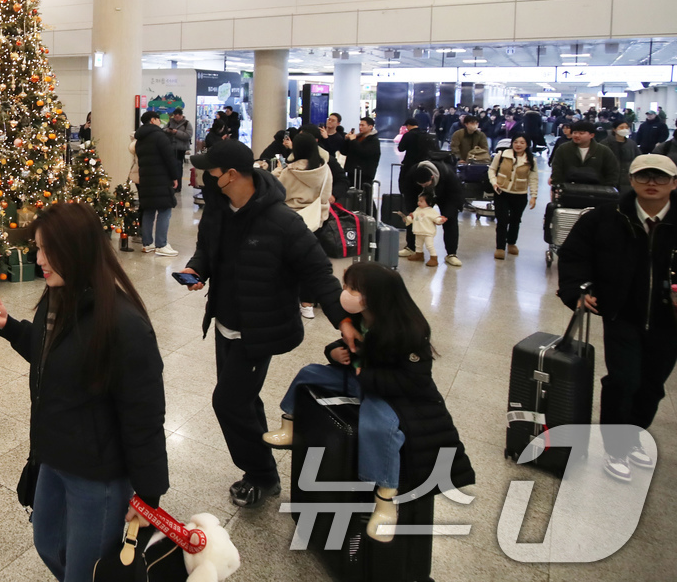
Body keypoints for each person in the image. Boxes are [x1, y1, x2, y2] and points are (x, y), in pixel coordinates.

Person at [0, 202, 168, 581]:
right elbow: (51, 355)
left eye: (49, 249)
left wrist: (149, 497)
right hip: (53, 456)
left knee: (87, 569)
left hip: (98, 475)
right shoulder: (57, 297)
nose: (40, 258)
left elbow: (144, 417)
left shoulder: (123, 325)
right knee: (48, 542)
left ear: (78, 249)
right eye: (37, 247)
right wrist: (7, 325)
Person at [181, 140, 352, 507]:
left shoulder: (282, 222)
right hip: (225, 324)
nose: (204, 178)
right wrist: (196, 268)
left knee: (227, 402)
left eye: (210, 172)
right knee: (242, 400)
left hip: (260, 331)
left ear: (230, 175)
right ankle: (261, 468)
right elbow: (206, 249)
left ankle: (262, 475)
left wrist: (344, 322)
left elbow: (319, 272)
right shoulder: (217, 209)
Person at [263, 263, 474, 542]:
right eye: (347, 286)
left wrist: (368, 377)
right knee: (308, 374)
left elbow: (414, 380)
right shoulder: (363, 319)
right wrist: (335, 354)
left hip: (388, 393)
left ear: (376, 294)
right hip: (360, 381)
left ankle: (385, 499)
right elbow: (344, 347)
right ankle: (289, 425)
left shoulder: (407, 330)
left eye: (353, 289)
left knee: (379, 427)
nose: (346, 293)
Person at [558, 154, 677, 483]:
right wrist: (577, 291)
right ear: (633, 180)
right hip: (622, 313)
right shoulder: (605, 218)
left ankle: (634, 433)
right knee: (624, 380)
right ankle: (617, 447)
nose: (652, 183)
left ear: (674, 183)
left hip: (670, 321)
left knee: (652, 385)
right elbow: (573, 256)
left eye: (661, 177)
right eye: (644, 177)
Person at [273, 133, 333, 320]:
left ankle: (286, 301)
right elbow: (327, 196)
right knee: (311, 263)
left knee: (287, 263)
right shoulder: (324, 170)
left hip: (291, 221)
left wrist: (277, 171)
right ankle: (307, 304)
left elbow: (279, 192)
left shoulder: (290, 171)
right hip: (317, 220)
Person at [403, 161, 465, 267]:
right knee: (415, 217)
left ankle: (451, 254)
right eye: (420, 185)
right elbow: (408, 192)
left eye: (425, 184)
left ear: (432, 177)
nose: (423, 186)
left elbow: (455, 196)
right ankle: (411, 248)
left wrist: (447, 215)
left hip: (446, 195)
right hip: (422, 197)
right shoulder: (412, 174)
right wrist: (411, 211)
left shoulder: (448, 174)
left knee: (451, 222)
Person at [134, 111, 179, 256]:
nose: (160, 121)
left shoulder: (140, 139)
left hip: (146, 179)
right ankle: (161, 244)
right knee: (165, 210)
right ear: (153, 120)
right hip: (161, 178)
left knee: (149, 210)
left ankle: (147, 244)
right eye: (158, 119)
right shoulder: (160, 136)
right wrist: (174, 176)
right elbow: (169, 158)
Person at [488, 135, 538, 260]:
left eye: (522, 142)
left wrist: (534, 195)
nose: (518, 145)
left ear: (527, 144)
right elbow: (492, 170)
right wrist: (494, 182)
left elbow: (533, 178)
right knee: (502, 220)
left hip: (520, 194)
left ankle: (511, 242)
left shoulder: (531, 160)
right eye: (515, 142)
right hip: (501, 192)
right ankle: (500, 247)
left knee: (516, 220)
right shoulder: (502, 155)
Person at [550, 121, 621, 192]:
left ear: (592, 135)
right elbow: (556, 170)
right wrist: (558, 187)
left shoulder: (603, 151)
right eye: (574, 133)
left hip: (597, 194)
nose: (577, 135)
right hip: (568, 192)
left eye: (581, 133)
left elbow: (612, 172)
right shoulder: (563, 149)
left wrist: (607, 189)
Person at [402, 193, 446, 268]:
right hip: (418, 231)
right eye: (418, 201)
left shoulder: (431, 211)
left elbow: (436, 218)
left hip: (428, 233)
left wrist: (440, 220)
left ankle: (434, 258)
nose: (419, 203)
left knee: (429, 245)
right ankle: (419, 255)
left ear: (429, 202)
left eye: (421, 201)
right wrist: (407, 219)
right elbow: (415, 218)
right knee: (418, 245)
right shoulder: (417, 210)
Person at [342, 116, 382, 190]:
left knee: (363, 194)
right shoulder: (357, 137)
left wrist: (353, 141)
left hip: (364, 173)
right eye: (360, 125)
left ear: (370, 127)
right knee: (351, 193)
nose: (360, 127)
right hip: (352, 171)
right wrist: (347, 140)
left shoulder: (373, 140)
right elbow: (344, 151)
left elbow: (364, 152)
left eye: (363, 125)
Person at [602, 120, 639, 191]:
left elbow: (638, 158)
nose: (624, 129)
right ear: (614, 129)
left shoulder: (631, 144)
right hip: (610, 177)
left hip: (627, 178)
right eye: (621, 127)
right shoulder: (605, 143)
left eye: (626, 127)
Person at [164, 108, 193, 192]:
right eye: (175, 116)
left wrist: (176, 132)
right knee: (171, 166)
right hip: (170, 147)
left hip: (181, 148)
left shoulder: (187, 123)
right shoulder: (170, 122)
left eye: (178, 116)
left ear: (181, 116)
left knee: (178, 166)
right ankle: (172, 185)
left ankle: (178, 186)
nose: (176, 118)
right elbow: (164, 129)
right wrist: (169, 131)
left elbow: (188, 135)